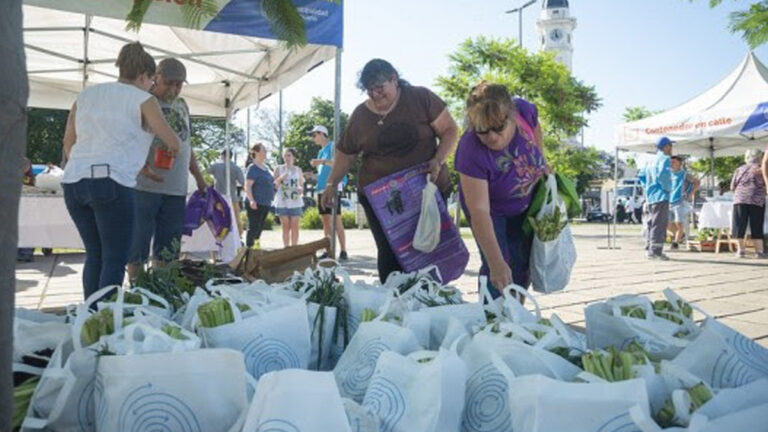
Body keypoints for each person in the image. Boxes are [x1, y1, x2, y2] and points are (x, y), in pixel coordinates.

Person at [61, 42, 181, 299]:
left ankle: (91, 317)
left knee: (95, 254)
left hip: (73, 182)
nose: (151, 86)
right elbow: (172, 142)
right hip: (110, 184)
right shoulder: (144, 99)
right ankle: (105, 322)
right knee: (115, 258)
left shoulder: (86, 95)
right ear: (143, 76)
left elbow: (68, 143)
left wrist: (90, 166)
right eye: (151, 81)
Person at [320, 59, 458, 282]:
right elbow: (346, 153)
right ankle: (392, 303)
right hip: (381, 198)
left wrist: (438, 159)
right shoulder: (360, 115)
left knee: (429, 249)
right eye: (370, 90)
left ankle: (429, 300)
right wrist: (331, 183)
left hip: (425, 191)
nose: (375, 94)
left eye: (380, 88)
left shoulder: (420, 97)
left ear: (394, 79)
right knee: (390, 253)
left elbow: (450, 130)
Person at [454, 83, 548, 298]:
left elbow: (536, 127)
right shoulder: (469, 150)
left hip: (525, 203)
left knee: (521, 265)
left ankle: (516, 319)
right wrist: (496, 263)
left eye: (498, 127)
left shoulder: (523, 110)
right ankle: (492, 323)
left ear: (512, 115)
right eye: (482, 131)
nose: (492, 137)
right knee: (498, 267)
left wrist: (542, 159)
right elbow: (479, 211)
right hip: (490, 211)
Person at [127, 58, 206, 280]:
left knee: (169, 248)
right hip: (143, 187)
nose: (173, 89)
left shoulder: (182, 106)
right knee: (137, 245)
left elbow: (187, 145)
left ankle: (163, 289)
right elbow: (127, 141)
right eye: (169, 83)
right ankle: (136, 287)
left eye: (179, 85)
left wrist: (200, 179)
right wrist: (141, 166)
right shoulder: (142, 101)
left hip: (176, 189)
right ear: (156, 77)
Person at [310, 124, 348, 260]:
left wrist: (322, 161)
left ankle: (343, 251)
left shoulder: (332, 146)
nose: (312, 138)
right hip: (322, 188)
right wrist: (311, 176)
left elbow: (337, 164)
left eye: (314, 135)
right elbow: (322, 173)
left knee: (335, 219)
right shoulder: (320, 152)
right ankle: (328, 250)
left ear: (322, 134)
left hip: (333, 188)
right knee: (326, 221)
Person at [730, 149, 766, 258]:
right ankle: (759, 252)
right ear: (760, 157)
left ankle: (740, 251)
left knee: (739, 225)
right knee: (757, 224)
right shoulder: (762, 169)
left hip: (740, 199)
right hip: (757, 200)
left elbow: (732, 187)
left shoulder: (740, 169)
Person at [642, 137, 673, 260]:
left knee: (651, 223)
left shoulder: (650, 160)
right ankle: (655, 252)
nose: (671, 148)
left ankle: (649, 249)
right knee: (659, 224)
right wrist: (667, 188)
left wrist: (648, 188)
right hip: (661, 196)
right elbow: (662, 175)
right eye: (670, 145)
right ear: (666, 146)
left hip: (650, 196)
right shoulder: (665, 159)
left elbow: (641, 175)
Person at [244, 143, 274, 248]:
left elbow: (272, 183)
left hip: (265, 203)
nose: (265, 153)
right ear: (256, 152)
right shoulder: (252, 168)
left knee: (259, 229)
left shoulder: (266, 168)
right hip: (255, 203)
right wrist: (251, 200)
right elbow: (247, 186)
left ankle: (255, 250)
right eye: (263, 150)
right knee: (253, 228)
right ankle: (249, 252)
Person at [208, 149, 245, 232]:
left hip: (219, 197)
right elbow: (242, 182)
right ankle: (239, 236)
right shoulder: (236, 168)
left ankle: (220, 235)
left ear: (223, 155)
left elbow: (206, 172)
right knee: (235, 218)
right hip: (232, 197)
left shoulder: (216, 166)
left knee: (219, 217)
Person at [274, 148, 304, 247]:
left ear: (294, 157)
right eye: (285, 155)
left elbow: (301, 185)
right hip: (283, 201)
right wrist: (281, 178)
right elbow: (275, 184)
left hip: (295, 201)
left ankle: (294, 248)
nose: (287, 158)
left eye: (289, 155)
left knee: (295, 226)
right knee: (285, 226)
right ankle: (286, 248)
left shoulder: (298, 170)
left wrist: (300, 189)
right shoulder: (279, 169)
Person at [668, 156, 699, 250]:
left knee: (678, 223)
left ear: (680, 163)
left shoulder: (685, 174)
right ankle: (681, 235)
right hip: (670, 201)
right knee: (667, 224)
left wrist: (691, 194)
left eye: (674, 162)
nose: (671, 164)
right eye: (671, 162)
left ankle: (675, 243)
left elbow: (697, 182)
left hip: (680, 201)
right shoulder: (670, 174)